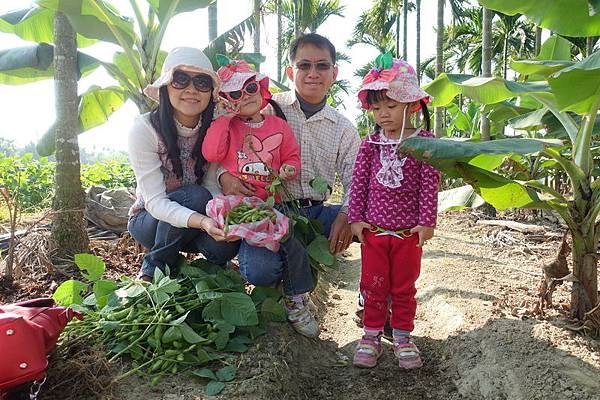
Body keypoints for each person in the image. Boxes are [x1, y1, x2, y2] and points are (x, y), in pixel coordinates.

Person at [218, 33, 361, 338]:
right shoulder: (264, 106)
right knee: (260, 270)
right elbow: (222, 142)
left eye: (322, 66)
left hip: (315, 211)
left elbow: (356, 181)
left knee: (375, 225)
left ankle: (373, 299)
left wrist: (347, 215)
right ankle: (278, 296)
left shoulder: (344, 129)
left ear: (334, 73)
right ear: (290, 72)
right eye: (304, 64)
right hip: (267, 210)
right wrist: (222, 176)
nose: (313, 73)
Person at [348, 54, 440, 369]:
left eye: (390, 106)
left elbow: (430, 184)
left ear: (412, 105)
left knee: (403, 286)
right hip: (374, 232)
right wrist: (356, 219)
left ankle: (402, 336)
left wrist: (427, 222)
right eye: (376, 108)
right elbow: (358, 184)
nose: (382, 114)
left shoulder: (425, 143)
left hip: (407, 235)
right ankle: (370, 336)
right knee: (373, 284)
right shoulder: (369, 144)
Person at [127, 47, 239, 281]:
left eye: (201, 82)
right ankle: (152, 269)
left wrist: (219, 221)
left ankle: (179, 258)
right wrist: (203, 221)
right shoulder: (144, 129)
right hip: (149, 219)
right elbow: (156, 202)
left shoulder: (215, 129)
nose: (191, 89)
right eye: (180, 80)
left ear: (211, 92)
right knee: (195, 196)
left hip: (195, 219)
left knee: (225, 247)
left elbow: (211, 186)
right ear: (166, 86)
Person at [202, 58, 300, 201]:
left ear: (261, 90)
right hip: (234, 201)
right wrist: (224, 118)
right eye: (236, 94)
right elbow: (211, 155)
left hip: (272, 204)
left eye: (251, 88)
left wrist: (290, 169)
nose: (246, 96)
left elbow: (291, 157)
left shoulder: (280, 125)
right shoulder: (226, 126)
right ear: (225, 100)